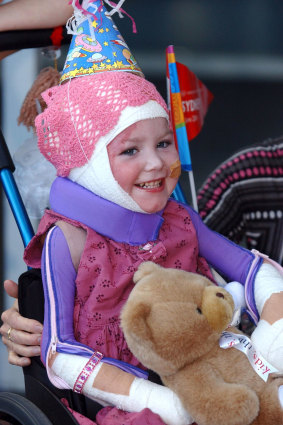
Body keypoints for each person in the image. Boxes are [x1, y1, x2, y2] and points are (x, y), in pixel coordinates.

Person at [1, 1, 283, 424]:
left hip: (209, 366)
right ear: (90, 165)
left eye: (164, 143)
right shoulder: (70, 240)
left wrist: (274, 329)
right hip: (124, 394)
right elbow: (59, 352)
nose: (155, 163)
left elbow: (253, 269)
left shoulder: (178, 220)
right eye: (131, 149)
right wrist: (154, 397)